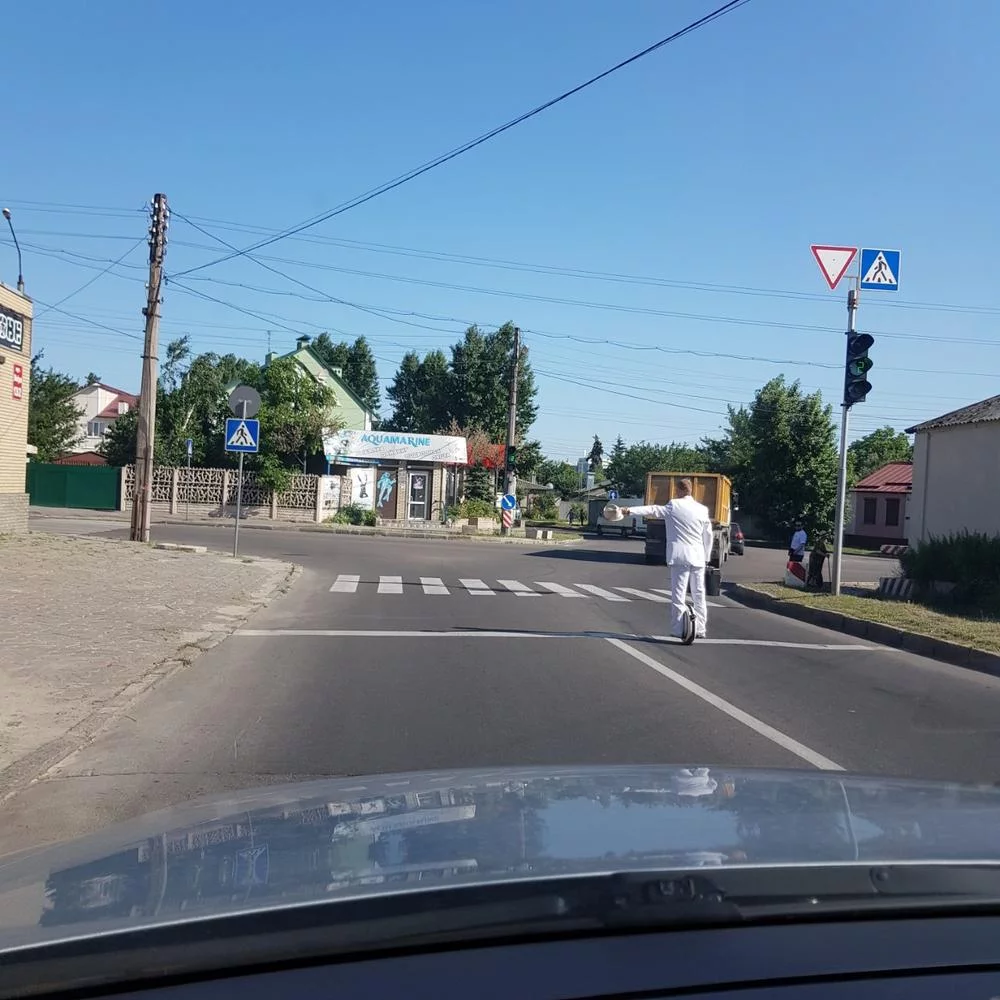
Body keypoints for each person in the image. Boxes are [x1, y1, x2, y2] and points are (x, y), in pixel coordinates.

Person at [622, 479, 713, 639]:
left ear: (678, 490)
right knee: (699, 593)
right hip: (698, 557)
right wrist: (706, 556)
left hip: (679, 556)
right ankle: (700, 629)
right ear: (691, 490)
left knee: (679, 594)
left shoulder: (674, 505)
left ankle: (678, 629)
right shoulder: (702, 509)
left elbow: (653, 509)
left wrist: (629, 510)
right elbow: (708, 535)